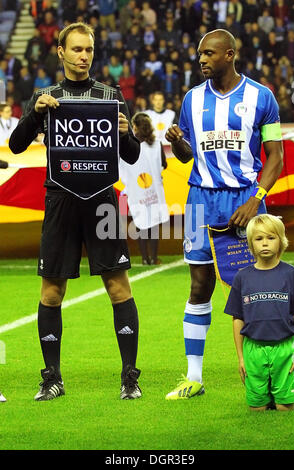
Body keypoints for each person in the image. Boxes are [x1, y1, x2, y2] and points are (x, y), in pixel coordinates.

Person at [9, 22, 142, 401]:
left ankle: (129, 378)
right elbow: (17, 145)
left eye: (89, 50)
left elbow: (131, 155)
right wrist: (35, 113)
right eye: (77, 49)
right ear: (61, 52)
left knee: (119, 287)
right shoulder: (45, 96)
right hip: (61, 200)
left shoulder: (110, 96)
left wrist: (124, 131)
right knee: (51, 292)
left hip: (102, 200)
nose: (84, 56)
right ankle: (51, 378)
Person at [164, 29, 283, 400]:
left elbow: (276, 156)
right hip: (200, 200)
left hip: (246, 199)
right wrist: (178, 142)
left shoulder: (261, 96)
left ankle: (269, 374)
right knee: (200, 285)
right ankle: (194, 377)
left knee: (260, 287)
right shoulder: (191, 99)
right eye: (199, 53)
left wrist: (256, 198)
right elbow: (187, 157)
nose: (201, 59)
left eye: (209, 54)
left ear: (229, 55)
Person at [225, 214, 294, 411]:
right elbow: (237, 319)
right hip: (253, 350)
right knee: (257, 408)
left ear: (281, 241)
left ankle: (286, 395)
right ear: (251, 244)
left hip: (285, 348)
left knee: (286, 407)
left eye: (271, 238)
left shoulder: (291, 274)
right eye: (259, 239)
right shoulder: (242, 277)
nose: (265, 243)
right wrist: (241, 357)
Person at [120, 112, 169, 265]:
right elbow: (164, 164)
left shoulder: (127, 146)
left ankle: (144, 258)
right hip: (154, 191)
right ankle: (154, 258)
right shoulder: (156, 145)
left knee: (141, 224)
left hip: (136, 192)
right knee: (154, 224)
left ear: (134, 127)